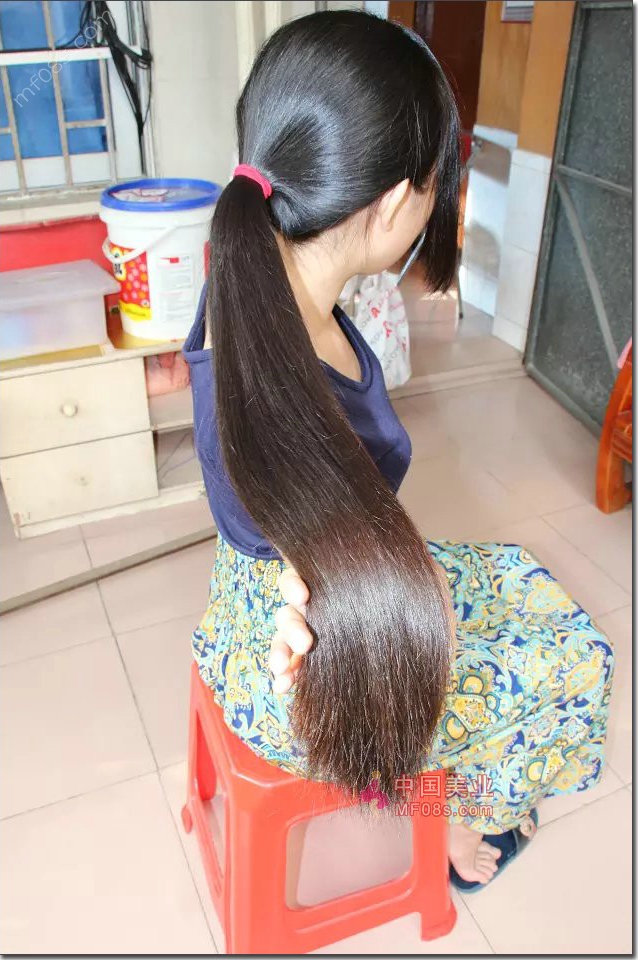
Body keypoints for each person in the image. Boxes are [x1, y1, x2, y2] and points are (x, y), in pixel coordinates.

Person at [183, 9, 614, 890]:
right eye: (433, 186)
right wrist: (423, 613)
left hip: (265, 599)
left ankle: (456, 790)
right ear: (389, 205)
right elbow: (330, 614)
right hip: (300, 664)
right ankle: (463, 820)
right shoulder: (285, 374)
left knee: (521, 575)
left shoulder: (253, 275)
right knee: (572, 661)